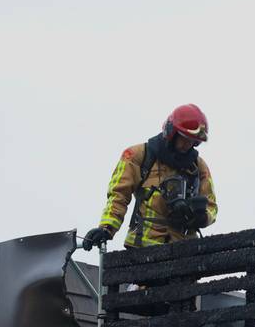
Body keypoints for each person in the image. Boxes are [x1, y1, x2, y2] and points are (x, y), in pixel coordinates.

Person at [82, 104, 218, 251]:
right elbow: (118, 195)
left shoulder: (198, 167)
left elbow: (211, 205)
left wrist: (201, 217)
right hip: (142, 249)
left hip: (184, 250)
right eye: (184, 138)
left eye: (192, 141)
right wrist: (106, 228)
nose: (187, 145)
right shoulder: (138, 155)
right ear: (171, 132)